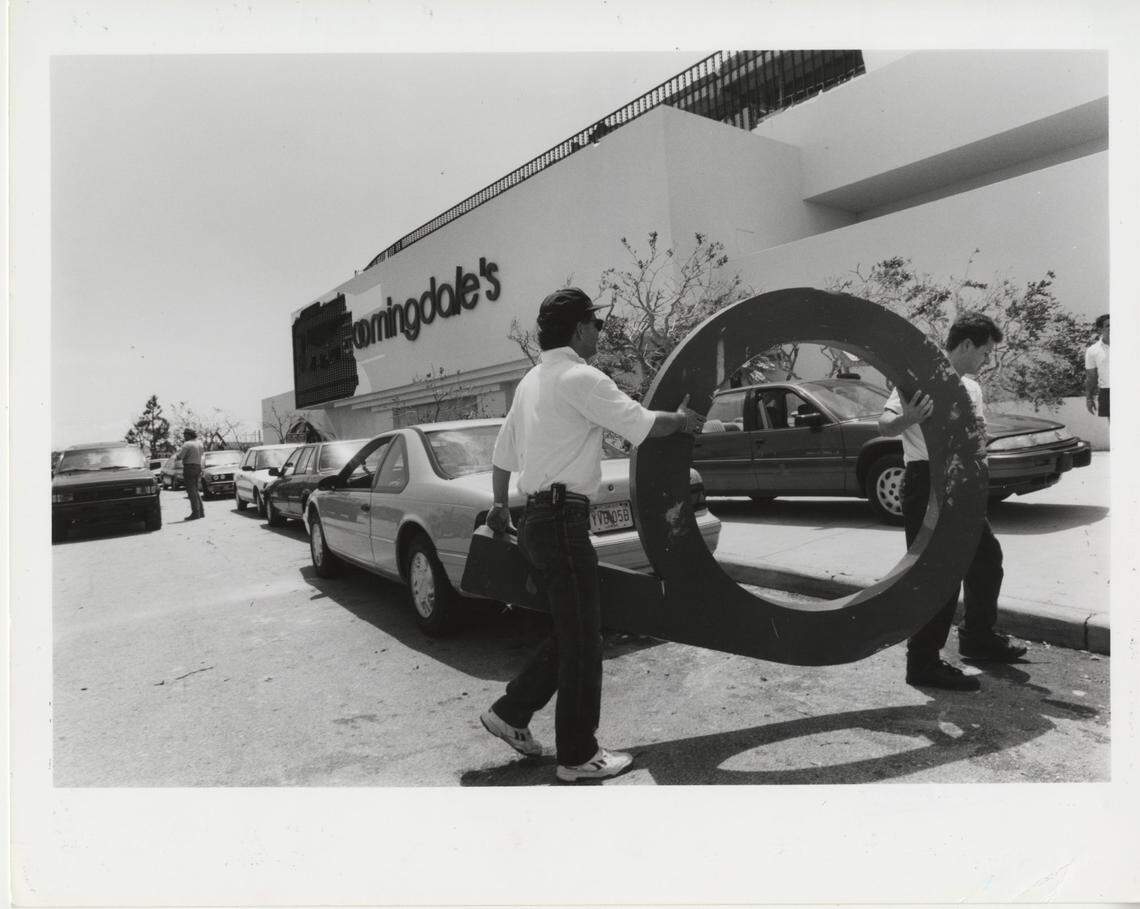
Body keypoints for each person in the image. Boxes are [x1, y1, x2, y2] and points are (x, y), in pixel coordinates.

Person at [480, 287, 704, 782]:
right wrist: (684, 420)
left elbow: (502, 454)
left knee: (572, 629)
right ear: (580, 328)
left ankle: (511, 713)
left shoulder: (531, 382)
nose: (600, 333)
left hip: (538, 519)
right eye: (596, 325)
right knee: (583, 639)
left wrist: (499, 505)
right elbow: (641, 425)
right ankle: (578, 756)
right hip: (562, 521)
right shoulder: (581, 377)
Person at [879, 312, 1027, 691]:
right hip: (926, 480)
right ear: (965, 345)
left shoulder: (973, 388)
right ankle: (923, 662)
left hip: (962, 481)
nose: (987, 360)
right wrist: (907, 417)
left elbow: (975, 434)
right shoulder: (918, 379)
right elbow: (885, 425)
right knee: (936, 574)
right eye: (985, 352)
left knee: (986, 559)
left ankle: (978, 638)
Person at [1084, 313, 1110, 419]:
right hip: (1107, 392)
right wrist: (1089, 398)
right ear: (1100, 329)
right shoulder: (1092, 351)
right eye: (1108, 326)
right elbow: (1091, 377)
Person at [178, 429, 205, 520]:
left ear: (189, 435)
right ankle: (201, 512)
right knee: (195, 490)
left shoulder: (187, 444)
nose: (184, 436)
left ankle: (195, 513)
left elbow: (180, 456)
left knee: (191, 491)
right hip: (198, 466)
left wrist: (177, 456)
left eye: (185, 435)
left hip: (189, 467)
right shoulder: (199, 443)